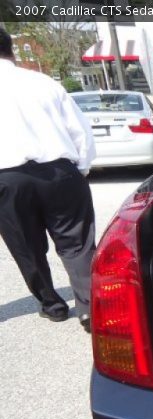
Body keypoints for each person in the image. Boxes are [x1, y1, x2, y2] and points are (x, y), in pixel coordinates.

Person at [0, 27, 96, 332]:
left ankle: (52, 305)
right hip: (59, 170)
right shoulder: (43, 83)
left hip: (6, 177)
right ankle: (90, 309)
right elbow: (79, 129)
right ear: (11, 50)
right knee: (77, 243)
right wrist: (81, 166)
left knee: (26, 246)